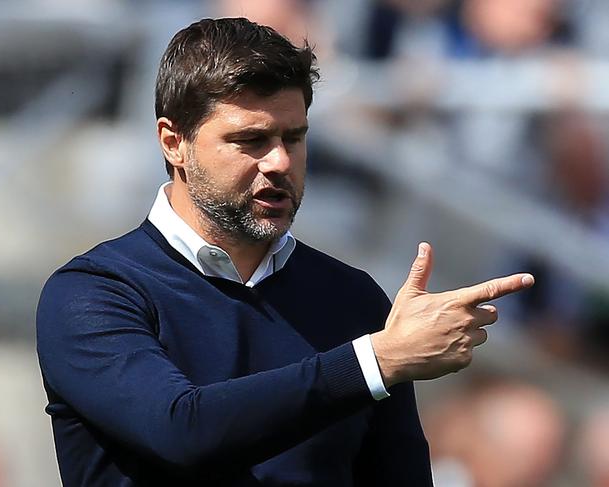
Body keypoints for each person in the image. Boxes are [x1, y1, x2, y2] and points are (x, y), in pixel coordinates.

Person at [36, 17, 534, 486]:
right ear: (174, 142)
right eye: (250, 139)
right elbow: (180, 430)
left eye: (293, 138)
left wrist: (377, 358)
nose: (278, 161)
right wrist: (374, 362)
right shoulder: (94, 294)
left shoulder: (350, 298)